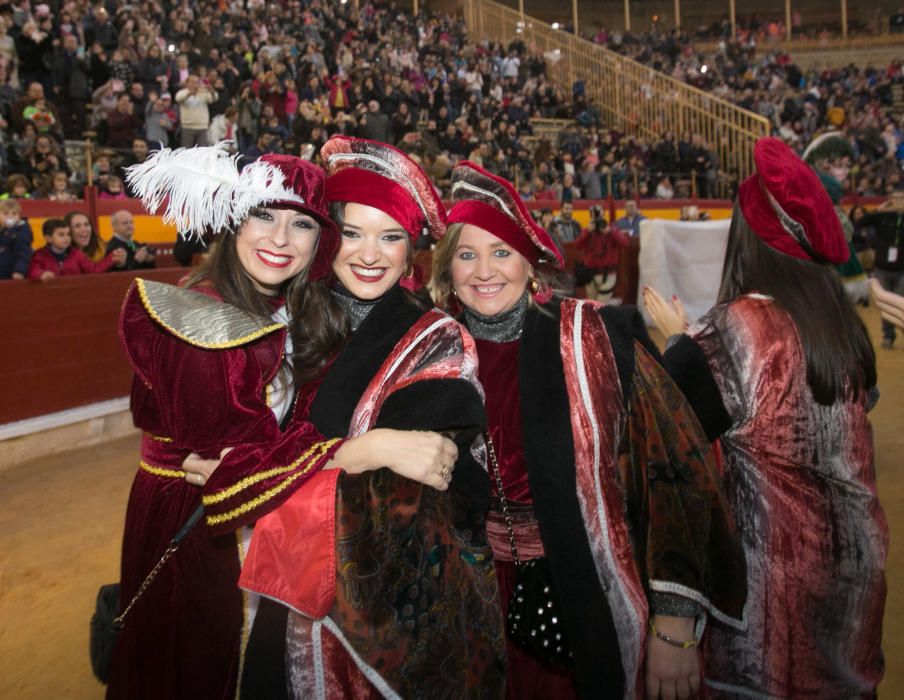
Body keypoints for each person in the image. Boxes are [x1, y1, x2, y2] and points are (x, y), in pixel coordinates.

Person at [109, 146, 457, 699]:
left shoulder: (278, 306)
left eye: (301, 224)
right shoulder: (202, 317)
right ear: (233, 219)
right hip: (199, 531)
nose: (280, 238)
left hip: (244, 529)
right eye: (264, 215)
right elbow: (237, 470)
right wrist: (370, 448)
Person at [431, 160, 746, 700]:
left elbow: (678, 472)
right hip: (469, 612)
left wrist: (674, 624)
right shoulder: (432, 351)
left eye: (501, 251)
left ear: (531, 264)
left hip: (587, 596)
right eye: (467, 254)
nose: (484, 270)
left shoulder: (600, 340)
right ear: (447, 269)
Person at [209, 136, 505, 698]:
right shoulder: (285, 317)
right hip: (271, 589)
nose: (370, 254)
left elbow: (413, 495)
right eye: (351, 233)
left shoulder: (436, 340)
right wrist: (362, 450)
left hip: (382, 618)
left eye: (390, 237)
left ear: (410, 248)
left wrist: (259, 473)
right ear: (325, 236)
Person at [644, 138, 887, 699]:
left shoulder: (739, 330)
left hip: (771, 618)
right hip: (852, 597)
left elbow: (665, 453)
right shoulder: (843, 327)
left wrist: (681, 344)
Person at [859, 192, 904, 348]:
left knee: (900, 303)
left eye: (901, 198)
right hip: (882, 268)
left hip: (902, 269)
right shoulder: (882, 216)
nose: (898, 201)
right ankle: (888, 336)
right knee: (886, 303)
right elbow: (861, 221)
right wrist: (879, 209)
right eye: (895, 198)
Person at [27, 217, 124, 279]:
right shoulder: (40, 255)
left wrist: (111, 258)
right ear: (48, 238)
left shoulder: (76, 254)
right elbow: (32, 270)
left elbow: (93, 270)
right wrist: (41, 274)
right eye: (61, 235)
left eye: (68, 234)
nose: (66, 238)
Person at [175, 74, 217, 147]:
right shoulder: (183, 92)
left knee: (202, 152)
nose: (194, 84)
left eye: (196, 82)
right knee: (186, 152)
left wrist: (212, 91)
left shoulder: (203, 92)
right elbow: (178, 98)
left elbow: (214, 98)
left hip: (202, 127)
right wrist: (190, 93)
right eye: (192, 82)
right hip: (187, 127)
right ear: (187, 83)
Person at [0, 199, 33, 279]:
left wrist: (19, 270)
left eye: (14, 214)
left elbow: (24, 253)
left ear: (19, 216)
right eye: (5, 213)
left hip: (12, 273)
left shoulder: (22, 231)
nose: (10, 216)